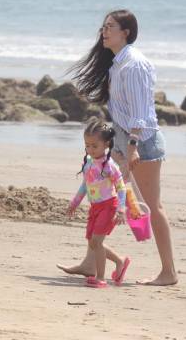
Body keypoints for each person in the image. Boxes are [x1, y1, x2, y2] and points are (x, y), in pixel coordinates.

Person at [69, 9, 176, 286]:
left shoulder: (134, 65)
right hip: (122, 139)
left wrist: (131, 146)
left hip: (141, 143)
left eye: (110, 27)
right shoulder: (117, 63)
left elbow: (141, 112)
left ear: (125, 32)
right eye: (103, 27)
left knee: (152, 206)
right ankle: (91, 262)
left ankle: (169, 272)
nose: (104, 31)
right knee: (101, 196)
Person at [59, 118, 130, 288]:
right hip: (95, 207)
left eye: (94, 146)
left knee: (96, 243)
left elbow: (121, 188)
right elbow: (85, 185)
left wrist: (121, 208)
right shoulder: (89, 163)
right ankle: (120, 261)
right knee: (93, 243)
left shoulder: (109, 166)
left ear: (106, 144)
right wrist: (75, 202)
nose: (90, 150)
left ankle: (100, 278)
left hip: (109, 206)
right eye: (87, 145)